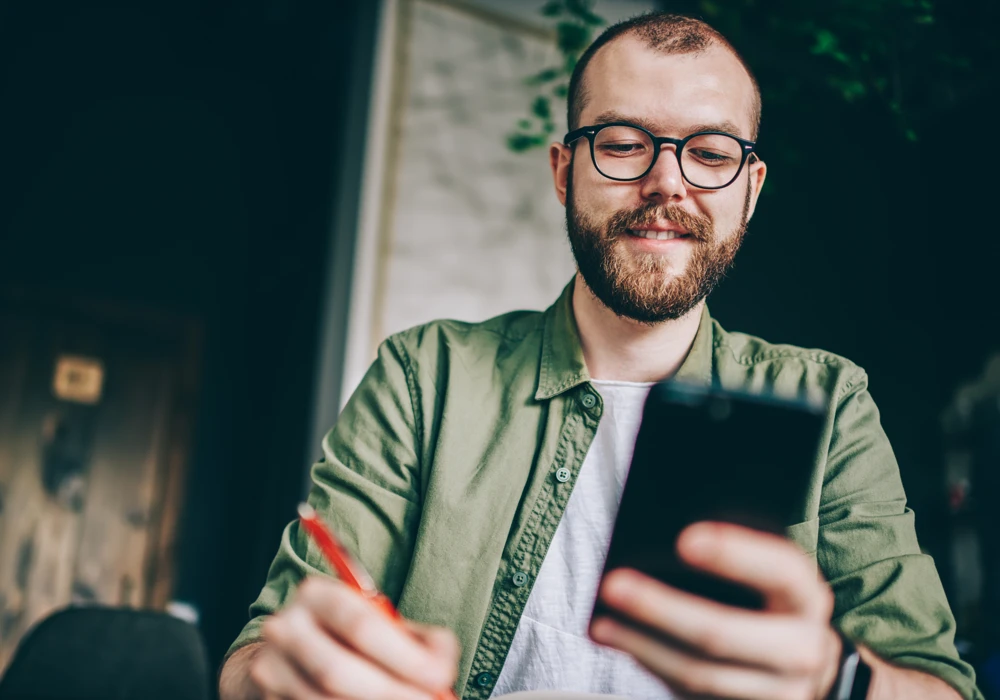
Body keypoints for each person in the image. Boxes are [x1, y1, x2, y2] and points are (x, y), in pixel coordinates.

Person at [219, 12, 982, 700]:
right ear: (563, 170)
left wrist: (833, 678)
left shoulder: (831, 401)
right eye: (622, 144)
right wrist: (282, 681)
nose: (666, 183)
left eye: (710, 153)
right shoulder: (424, 376)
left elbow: (943, 690)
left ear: (749, 191)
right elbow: (255, 659)